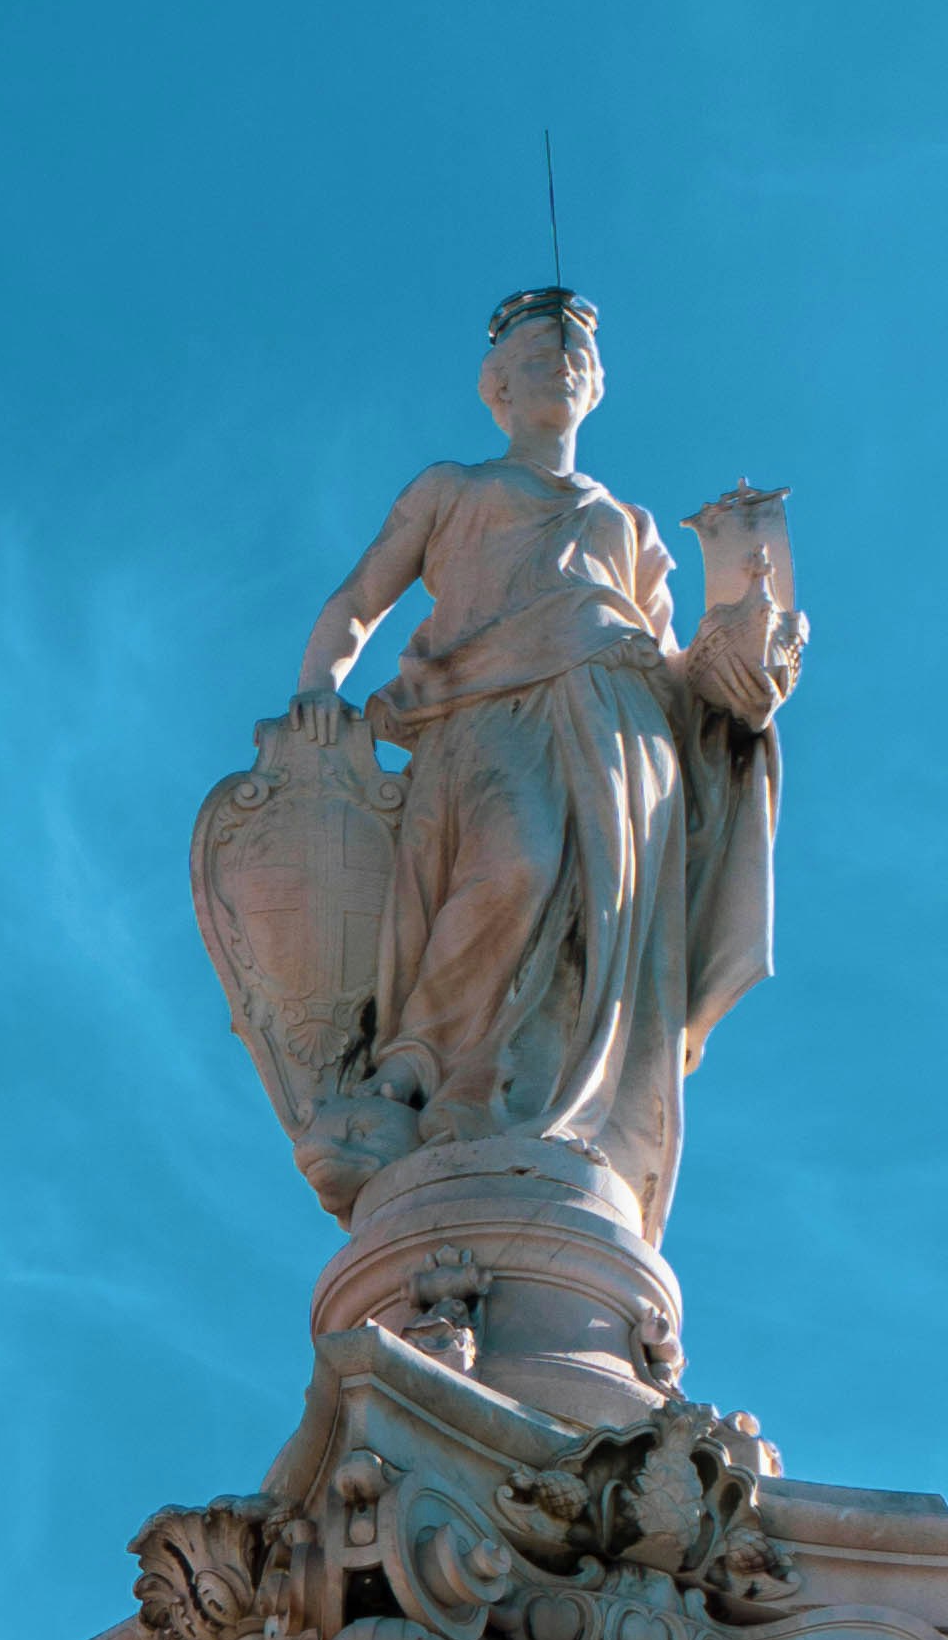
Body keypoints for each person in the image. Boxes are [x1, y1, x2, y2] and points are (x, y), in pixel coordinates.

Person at [289, 288, 796, 1237]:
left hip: (619, 723)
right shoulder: (456, 490)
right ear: (497, 389)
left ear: (596, 386)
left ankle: (564, 1107)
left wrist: (748, 651)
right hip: (489, 712)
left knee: (598, 928)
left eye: (573, 358)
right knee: (512, 867)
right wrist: (320, 685)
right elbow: (361, 596)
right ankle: (418, 1065)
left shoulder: (631, 524)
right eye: (535, 357)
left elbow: (680, 664)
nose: (558, 367)